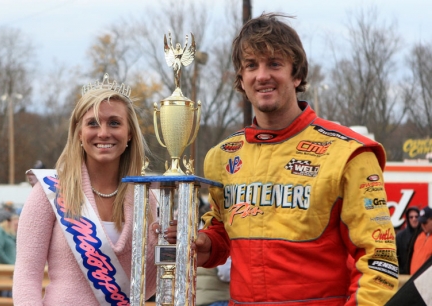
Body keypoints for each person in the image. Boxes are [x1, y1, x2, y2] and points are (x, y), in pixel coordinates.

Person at [165, 13, 398, 305]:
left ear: (297, 74)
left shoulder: (349, 154)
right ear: (242, 78)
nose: (262, 75)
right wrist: (203, 244)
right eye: (251, 65)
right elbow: (222, 232)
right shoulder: (222, 157)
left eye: (274, 63)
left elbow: (379, 259)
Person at [13, 74, 159, 305]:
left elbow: (146, 285)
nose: (103, 133)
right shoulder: (49, 192)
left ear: (129, 133)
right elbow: (26, 278)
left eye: (114, 122)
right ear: (79, 132)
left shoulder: (145, 198)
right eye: (92, 123)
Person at [0, 210, 19, 297]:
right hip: (3, 270)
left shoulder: (6, 233)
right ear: (5, 221)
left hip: (9, 270)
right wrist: (10, 264)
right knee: (4, 294)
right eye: (10, 220)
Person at [396, 206, 420, 274]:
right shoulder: (400, 236)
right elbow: (396, 257)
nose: (414, 219)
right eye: (411, 217)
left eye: (416, 216)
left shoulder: (424, 235)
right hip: (404, 275)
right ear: (407, 219)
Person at [409, 206, 432, 275]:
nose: (422, 225)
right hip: (414, 279)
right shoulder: (419, 236)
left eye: (425, 222)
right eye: (421, 222)